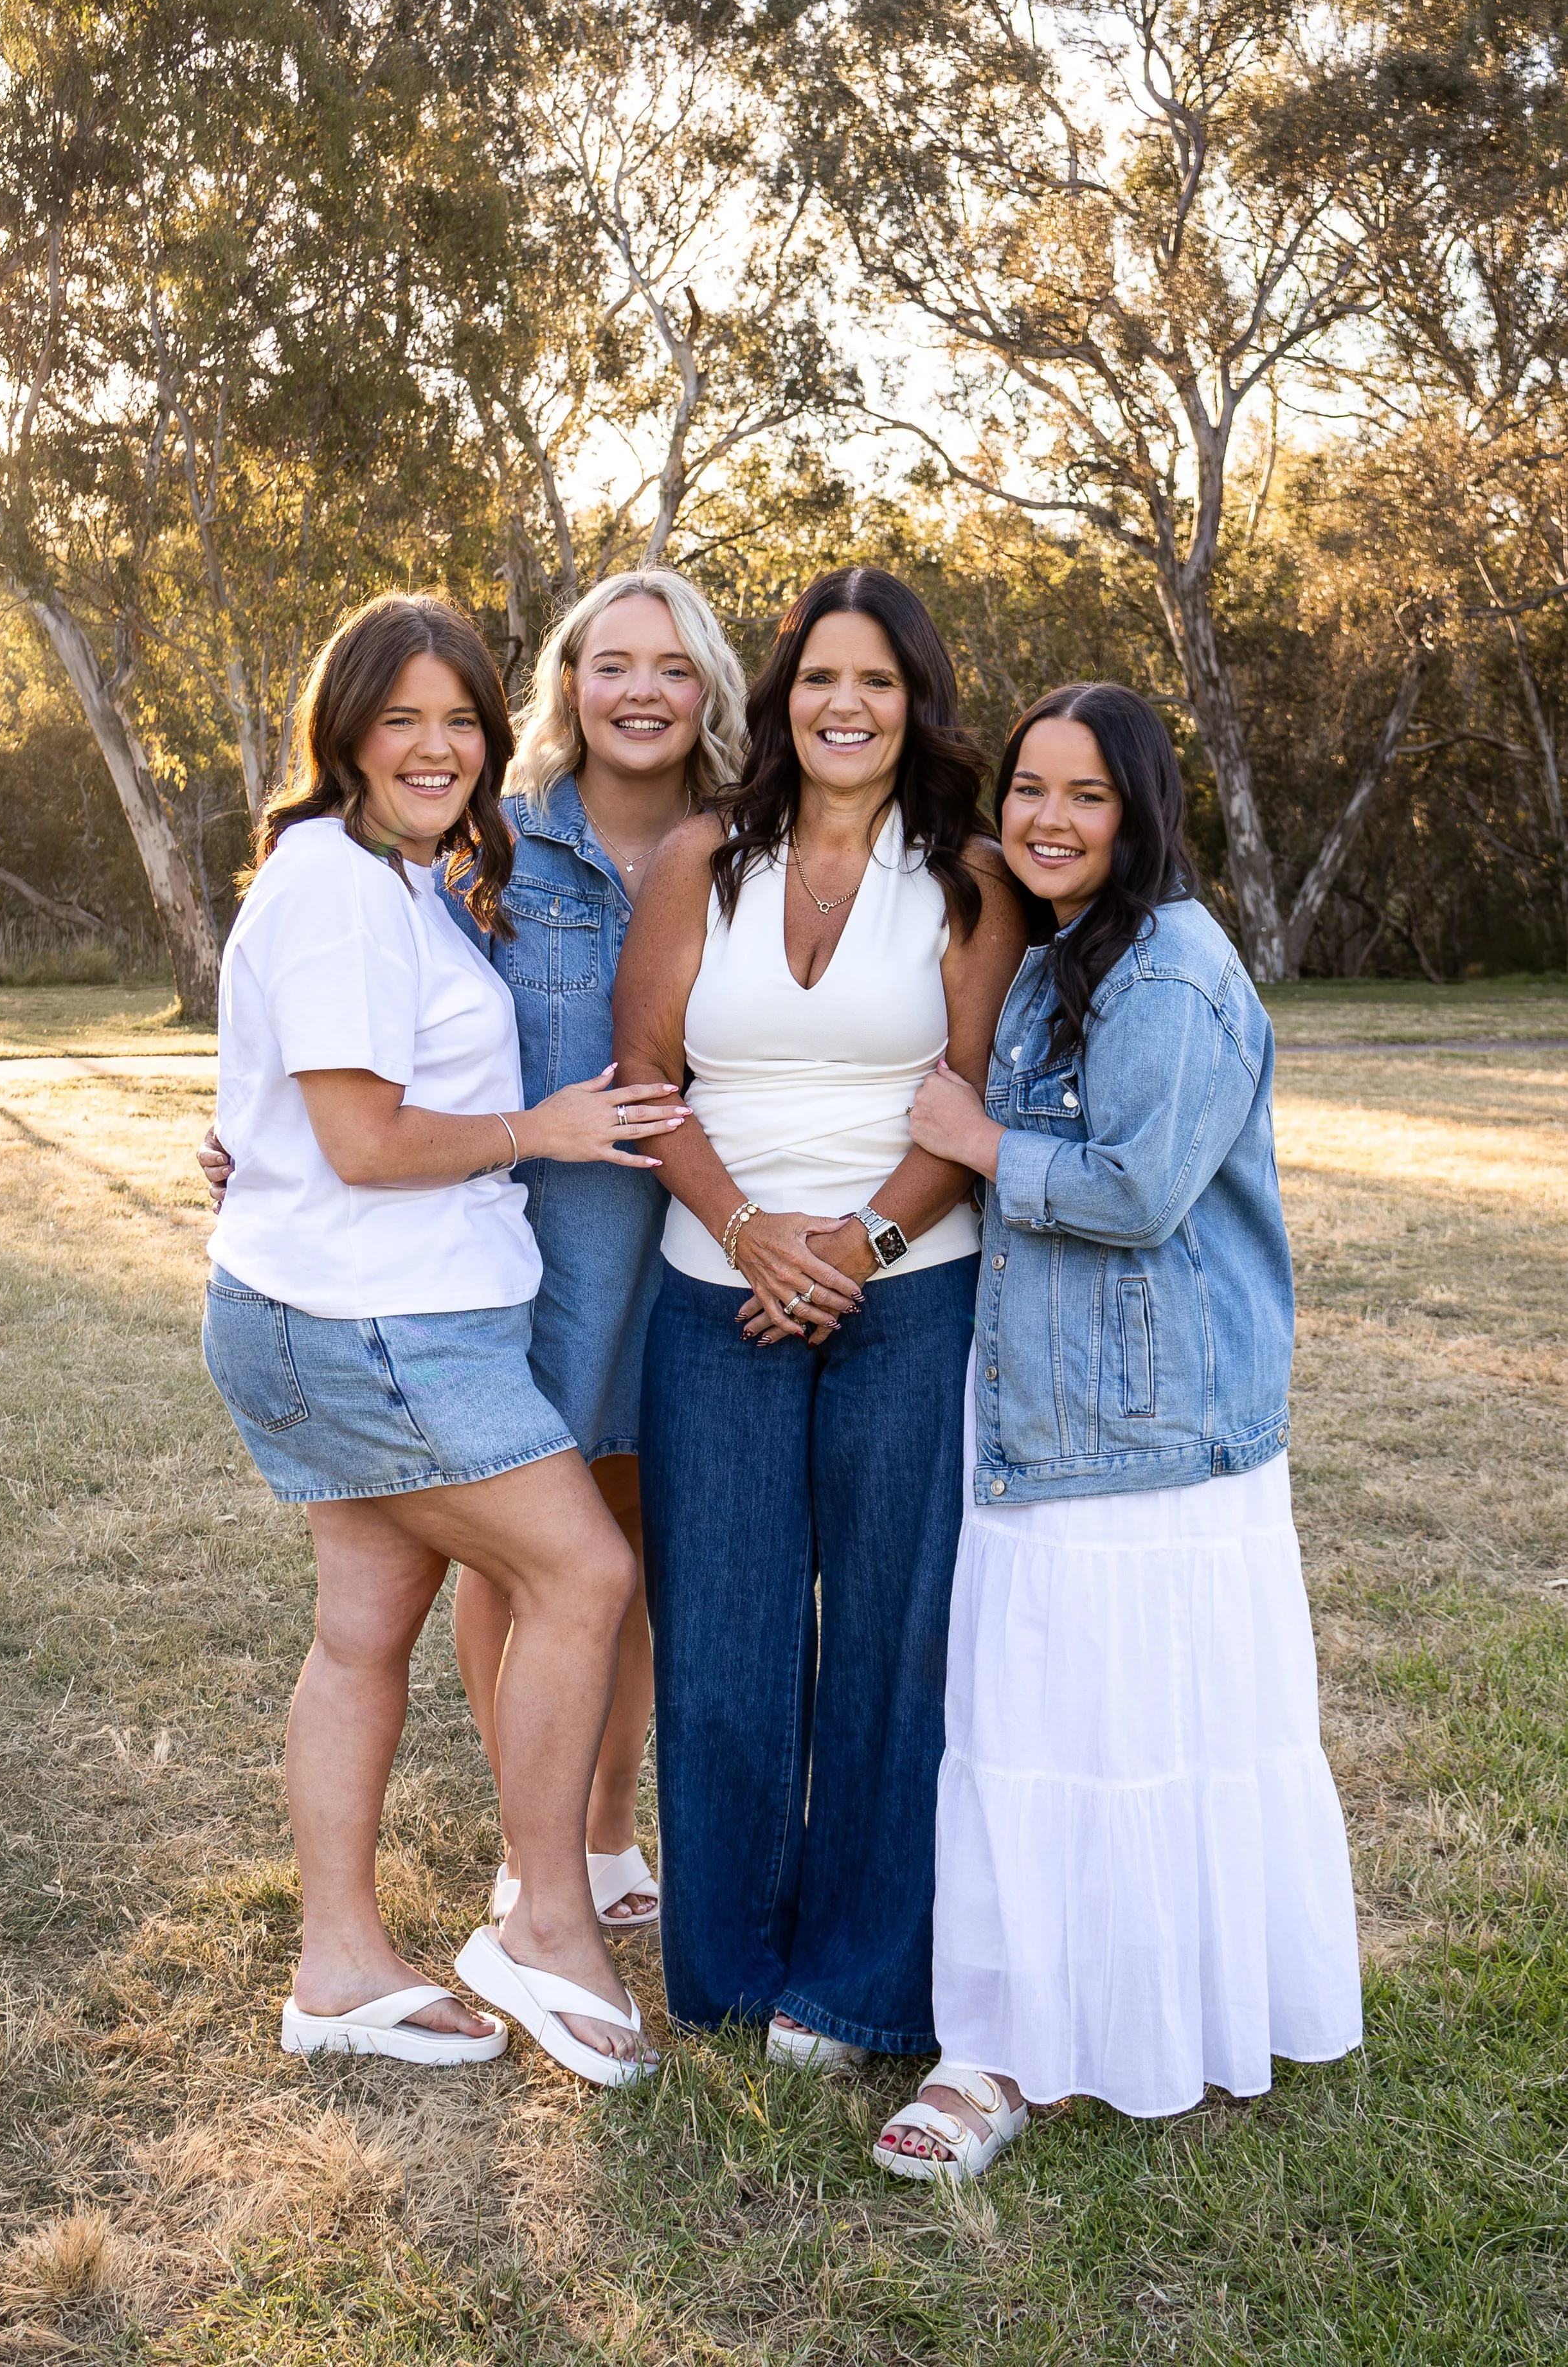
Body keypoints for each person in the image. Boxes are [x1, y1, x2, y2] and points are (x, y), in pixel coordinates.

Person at [874, 681, 1363, 2180]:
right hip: (1066, 1406)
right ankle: (1044, 2029)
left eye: (1085, 794)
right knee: (1063, 1725)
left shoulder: (1163, 974)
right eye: (1027, 788)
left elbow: (1137, 1193)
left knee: (1099, 1727)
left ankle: (1017, 2053)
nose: (1047, 818)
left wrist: (975, 1144)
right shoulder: (1071, 949)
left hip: (1134, 1431)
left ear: (1141, 807)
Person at [201, 591, 689, 2084]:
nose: (434, 746)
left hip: (349, 1304)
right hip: (379, 1325)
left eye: (459, 719)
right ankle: (544, 1917)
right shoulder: (342, 885)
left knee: (363, 1634)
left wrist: (258, 1147)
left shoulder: (391, 876)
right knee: (584, 1566)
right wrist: (534, 1130)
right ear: (342, 730)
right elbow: (359, 1136)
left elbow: (301, 1116)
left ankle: (338, 1968)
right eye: (399, 717)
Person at [614, 566, 1027, 2068]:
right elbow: (646, 1087)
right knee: (720, 1645)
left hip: (907, 1296)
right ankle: (727, 1974)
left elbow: (964, 1100)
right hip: (711, 1290)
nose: (843, 706)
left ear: (913, 702)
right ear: (781, 699)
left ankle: (855, 1987)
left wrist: (854, 1242)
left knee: (886, 1643)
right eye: (817, 679)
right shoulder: (698, 861)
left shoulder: (969, 880)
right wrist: (746, 1233)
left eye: (875, 681)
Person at [437, 571, 748, 1930]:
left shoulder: (755, 847)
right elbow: (389, 1030)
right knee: (517, 1559)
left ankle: (609, 1840)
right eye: (610, 664)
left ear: (709, 697)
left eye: (672, 670)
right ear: (568, 685)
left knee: (627, 1551)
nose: (639, 692)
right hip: (529, 1262)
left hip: (687, 1257)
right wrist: (257, 1137)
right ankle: (532, 1850)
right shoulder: (489, 847)